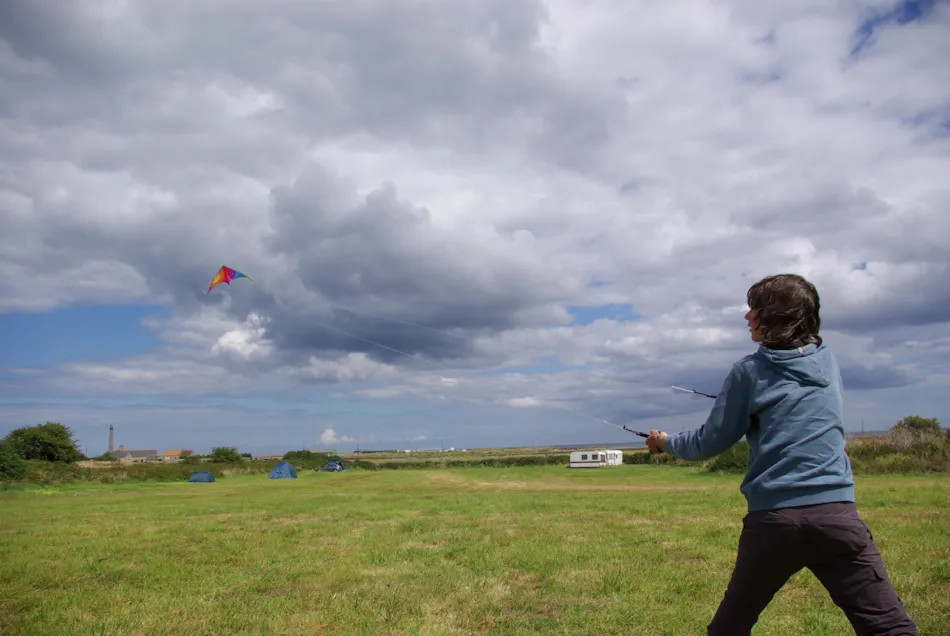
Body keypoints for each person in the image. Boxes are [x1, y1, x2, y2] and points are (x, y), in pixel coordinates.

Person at [645, 273, 917, 636]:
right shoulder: (827, 360)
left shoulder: (748, 371)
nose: (747, 317)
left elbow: (708, 442)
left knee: (730, 627)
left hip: (773, 522)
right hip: (837, 518)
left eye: (754, 309)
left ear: (774, 317)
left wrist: (665, 442)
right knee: (888, 627)